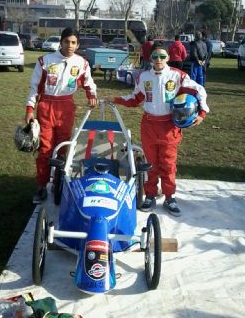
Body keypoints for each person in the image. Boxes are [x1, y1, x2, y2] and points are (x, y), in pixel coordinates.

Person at [113, 43, 208, 216]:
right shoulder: (144, 77)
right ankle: (150, 194)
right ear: (150, 58)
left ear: (168, 58)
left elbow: (199, 90)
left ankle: (170, 197)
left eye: (162, 56)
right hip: (149, 125)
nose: (159, 60)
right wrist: (116, 99)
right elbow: (135, 99)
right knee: (151, 163)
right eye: (155, 56)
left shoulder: (177, 75)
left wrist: (202, 113)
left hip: (169, 126)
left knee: (168, 164)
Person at [24, 27, 98, 204]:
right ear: (61, 42)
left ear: (77, 45)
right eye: (67, 42)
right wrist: (29, 109)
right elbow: (35, 87)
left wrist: (92, 95)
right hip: (46, 107)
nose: (70, 45)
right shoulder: (45, 61)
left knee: (63, 148)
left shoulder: (81, 63)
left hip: (66, 108)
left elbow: (89, 82)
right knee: (45, 149)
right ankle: (42, 186)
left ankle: (59, 183)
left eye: (73, 43)